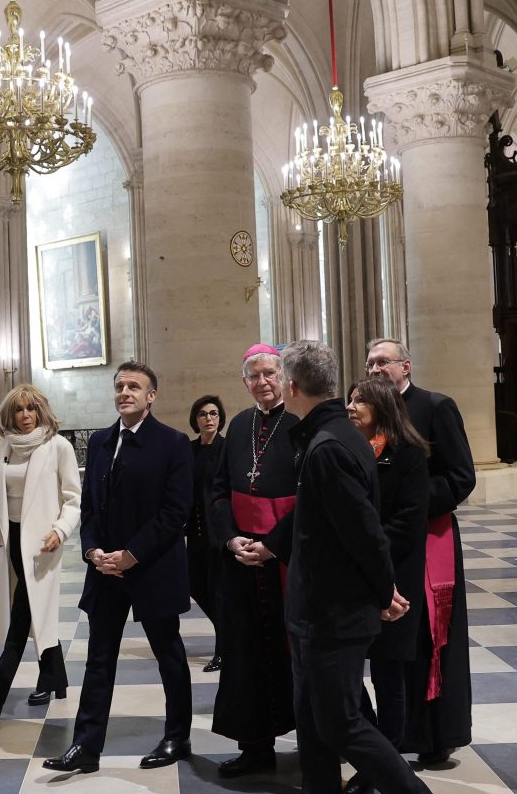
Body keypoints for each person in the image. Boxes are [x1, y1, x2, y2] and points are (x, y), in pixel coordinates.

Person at [282, 340, 430, 794]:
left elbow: (364, 532)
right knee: (311, 722)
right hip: (318, 608)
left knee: (343, 724)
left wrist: (383, 591)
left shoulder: (329, 446)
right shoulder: (340, 437)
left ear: (291, 387)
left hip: (333, 611)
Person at [42, 362, 193, 775]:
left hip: (152, 568)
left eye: (134, 386)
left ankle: (177, 736)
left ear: (151, 396)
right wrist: (92, 551)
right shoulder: (102, 441)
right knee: (99, 658)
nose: (125, 391)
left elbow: (174, 513)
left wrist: (131, 554)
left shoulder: (173, 443)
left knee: (169, 656)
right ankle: (86, 746)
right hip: (105, 570)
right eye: (119, 386)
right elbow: (88, 505)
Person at [366, 338, 476, 765]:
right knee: (390, 639)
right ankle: (393, 733)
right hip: (382, 537)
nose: (375, 370)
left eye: (383, 362)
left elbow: (460, 477)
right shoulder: (368, 412)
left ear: (406, 366)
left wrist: (408, 504)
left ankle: (434, 735)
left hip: (429, 539)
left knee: (430, 636)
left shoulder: (435, 406)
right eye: (370, 363)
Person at [207, 343, 299, 778]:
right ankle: (256, 748)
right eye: (254, 376)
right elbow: (219, 490)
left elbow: (313, 499)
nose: (262, 382)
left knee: (298, 655)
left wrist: (274, 543)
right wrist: (229, 540)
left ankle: (324, 743)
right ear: (244, 383)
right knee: (245, 657)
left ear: (284, 378)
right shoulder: (240, 425)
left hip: (288, 560)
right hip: (242, 563)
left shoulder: (300, 423)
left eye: (270, 374)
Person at [344, 377, 431, 794]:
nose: (352, 406)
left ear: (382, 407)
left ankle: (387, 761)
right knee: (345, 671)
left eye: (361, 401)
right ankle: (374, 750)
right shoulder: (346, 449)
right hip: (354, 576)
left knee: (388, 673)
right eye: (350, 399)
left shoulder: (408, 455)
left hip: (396, 576)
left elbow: (409, 521)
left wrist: (369, 550)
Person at [0, 383, 82, 714]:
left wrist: (60, 530)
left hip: (42, 543)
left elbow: (74, 499)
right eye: (19, 409)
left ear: (41, 410)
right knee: (34, 608)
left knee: (23, 611)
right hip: (11, 538)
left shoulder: (58, 447)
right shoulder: (0, 446)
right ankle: (55, 680)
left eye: (31, 408)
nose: (25, 416)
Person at [187, 394, 228, 673]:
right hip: (195, 532)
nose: (209, 419)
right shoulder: (188, 450)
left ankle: (223, 648)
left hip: (219, 533)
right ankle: (229, 633)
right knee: (195, 585)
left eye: (213, 414)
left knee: (218, 592)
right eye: (203, 414)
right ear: (196, 420)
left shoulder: (227, 448)